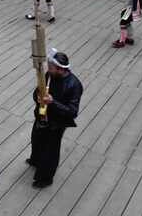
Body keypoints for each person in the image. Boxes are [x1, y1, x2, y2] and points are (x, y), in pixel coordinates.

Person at [27, 49, 83, 188]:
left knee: (50, 152)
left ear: (60, 69)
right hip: (41, 117)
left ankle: (45, 178)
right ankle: (35, 160)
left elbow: (72, 112)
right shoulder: (49, 75)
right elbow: (38, 91)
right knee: (36, 139)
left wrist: (52, 102)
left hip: (56, 124)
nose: (48, 69)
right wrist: (38, 97)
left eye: (51, 67)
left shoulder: (74, 85)